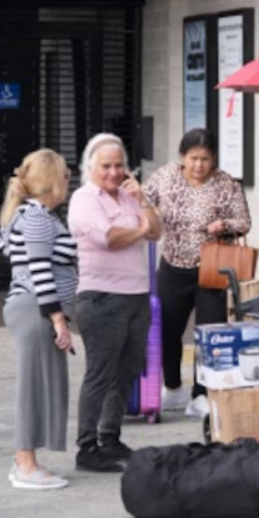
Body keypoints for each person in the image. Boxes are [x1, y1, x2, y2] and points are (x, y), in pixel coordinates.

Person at [68, 133, 161, 473]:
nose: (113, 171)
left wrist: (144, 203)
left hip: (136, 294)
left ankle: (110, 436)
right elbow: (107, 238)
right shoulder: (83, 198)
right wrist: (140, 229)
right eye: (106, 165)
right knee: (101, 373)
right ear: (91, 167)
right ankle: (87, 446)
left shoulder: (129, 195)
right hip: (102, 297)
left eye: (119, 164)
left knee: (127, 369)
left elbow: (157, 232)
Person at [142, 128, 251, 418]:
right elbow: (140, 199)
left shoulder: (226, 183)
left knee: (209, 333)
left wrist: (225, 224)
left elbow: (244, 221)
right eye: (193, 158)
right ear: (182, 157)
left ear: (214, 158)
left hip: (211, 269)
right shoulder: (166, 176)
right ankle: (173, 387)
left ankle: (201, 393)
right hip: (173, 266)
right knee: (167, 330)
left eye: (205, 159)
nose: (199, 165)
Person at [0, 150, 76, 490]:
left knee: (40, 384)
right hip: (35, 308)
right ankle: (25, 464)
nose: (69, 184)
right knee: (32, 386)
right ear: (53, 180)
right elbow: (39, 270)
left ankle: (26, 461)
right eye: (66, 176)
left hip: (31, 307)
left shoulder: (24, 214)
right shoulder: (38, 217)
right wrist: (58, 318)